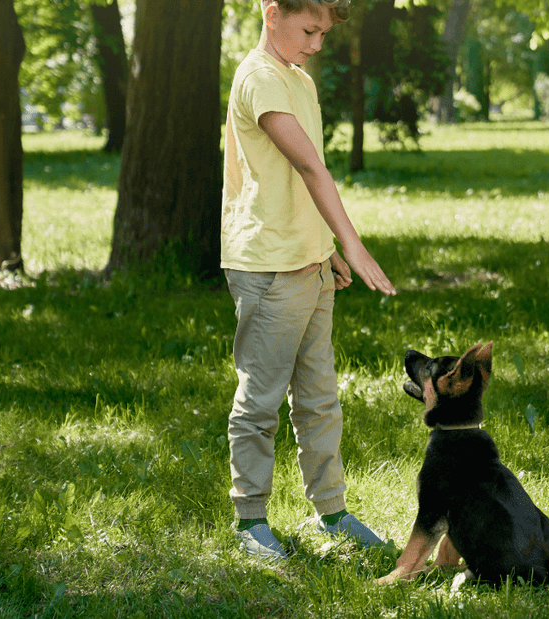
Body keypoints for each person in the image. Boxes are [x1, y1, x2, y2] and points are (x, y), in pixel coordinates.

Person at [221, 0, 396, 560]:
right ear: (272, 13)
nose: (317, 44)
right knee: (261, 402)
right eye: (309, 30)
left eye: (323, 33)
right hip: (270, 266)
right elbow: (309, 166)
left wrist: (327, 247)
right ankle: (250, 520)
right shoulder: (260, 79)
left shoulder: (297, 77)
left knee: (320, 399)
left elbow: (302, 180)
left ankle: (332, 512)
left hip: (309, 262)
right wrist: (354, 244)